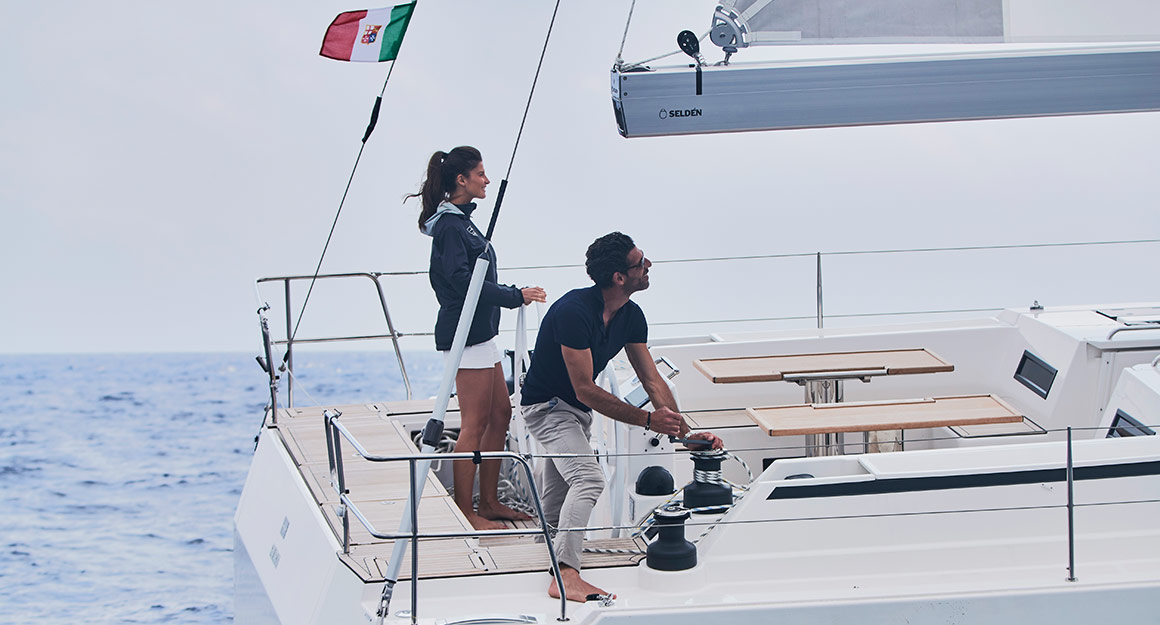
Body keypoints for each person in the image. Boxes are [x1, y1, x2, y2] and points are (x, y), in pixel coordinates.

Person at [519, 232, 723, 602]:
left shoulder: (630, 315)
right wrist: (647, 421)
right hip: (547, 407)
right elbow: (584, 388)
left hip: (575, 413)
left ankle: (534, 559)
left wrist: (687, 434)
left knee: (554, 503)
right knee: (588, 479)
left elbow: (652, 380)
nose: (648, 267)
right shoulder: (573, 313)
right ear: (619, 277)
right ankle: (565, 576)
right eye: (640, 262)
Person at [409, 146, 547, 531]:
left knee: (500, 413)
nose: (486, 180)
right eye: (481, 174)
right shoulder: (452, 227)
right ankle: (467, 510)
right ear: (462, 180)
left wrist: (508, 293)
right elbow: (459, 282)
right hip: (464, 337)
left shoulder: (462, 223)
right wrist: (513, 295)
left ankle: (489, 502)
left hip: (482, 334)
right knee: (473, 423)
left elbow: (476, 276)